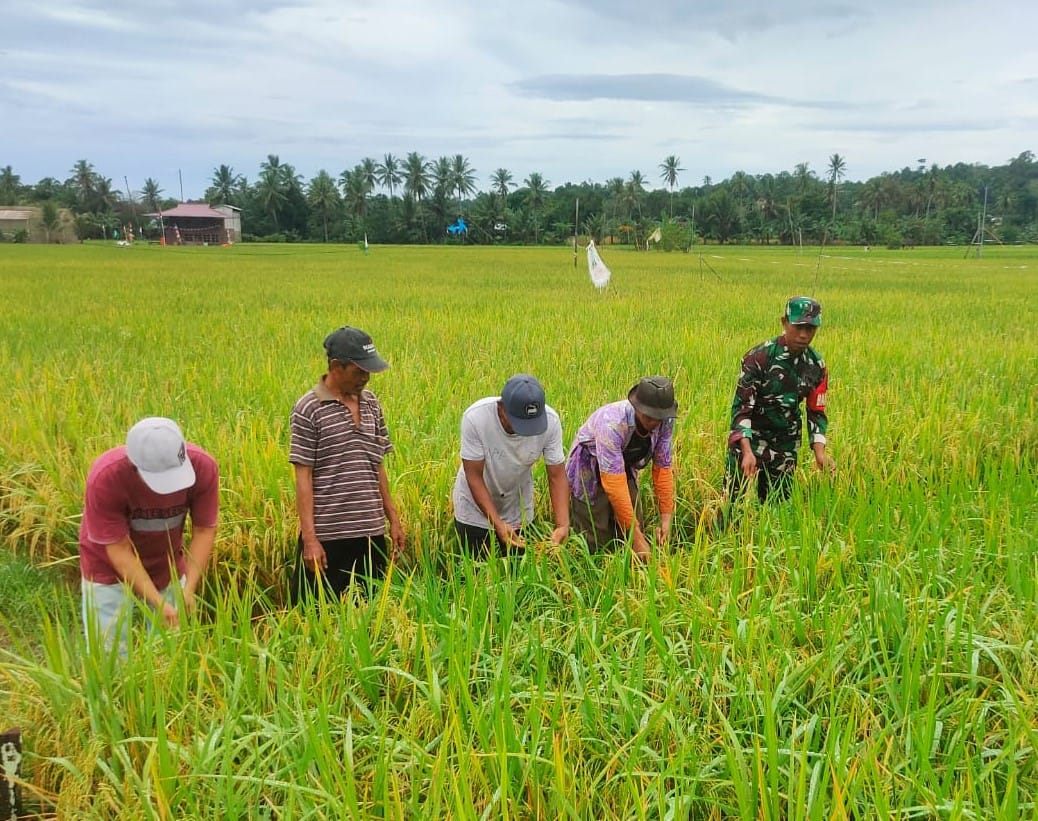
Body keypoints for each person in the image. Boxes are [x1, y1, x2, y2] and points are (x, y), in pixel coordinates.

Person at [79, 417, 219, 651]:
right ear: (134, 464)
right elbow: (119, 549)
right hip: (107, 567)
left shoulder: (203, 467)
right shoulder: (107, 476)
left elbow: (204, 530)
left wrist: (189, 588)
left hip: (167, 563)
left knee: (171, 648)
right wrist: (156, 600)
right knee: (109, 650)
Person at [289, 326, 405, 601]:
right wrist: (310, 539)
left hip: (370, 531)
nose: (365, 378)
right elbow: (303, 477)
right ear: (335, 367)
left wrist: (393, 518)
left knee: (373, 614)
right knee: (316, 618)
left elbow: (377, 465)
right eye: (359, 371)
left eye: (369, 371)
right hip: (329, 537)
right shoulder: (308, 409)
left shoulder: (372, 404)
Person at [725, 296, 835, 506]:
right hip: (751, 438)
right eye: (798, 327)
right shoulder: (759, 358)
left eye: (810, 329)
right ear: (784, 322)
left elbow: (816, 411)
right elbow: (742, 410)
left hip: (785, 442)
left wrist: (820, 453)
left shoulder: (816, 365)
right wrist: (747, 451)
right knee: (733, 503)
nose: (804, 335)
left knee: (777, 508)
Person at [451, 374, 570, 555]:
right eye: (520, 423)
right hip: (474, 510)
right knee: (475, 575)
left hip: (518, 507)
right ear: (502, 408)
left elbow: (557, 475)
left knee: (519, 573)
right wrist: (497, 523)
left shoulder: (551, 422)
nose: (527, 432)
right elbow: (473, 476)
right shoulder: (476, 419)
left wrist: (563, 525)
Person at [566, 377, 678, 562]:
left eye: (659, 418)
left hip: (624, 463)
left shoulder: (665, 420)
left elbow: (662, 467)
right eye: (649, 417)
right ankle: (598, 574)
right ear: (637, 407)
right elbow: (614, 485)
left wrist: (666, 520)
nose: (654, 422)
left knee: (633, 522)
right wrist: (637, 540)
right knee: (597, 533)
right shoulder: (612, 423)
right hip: (588, 467)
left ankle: (629, 572)